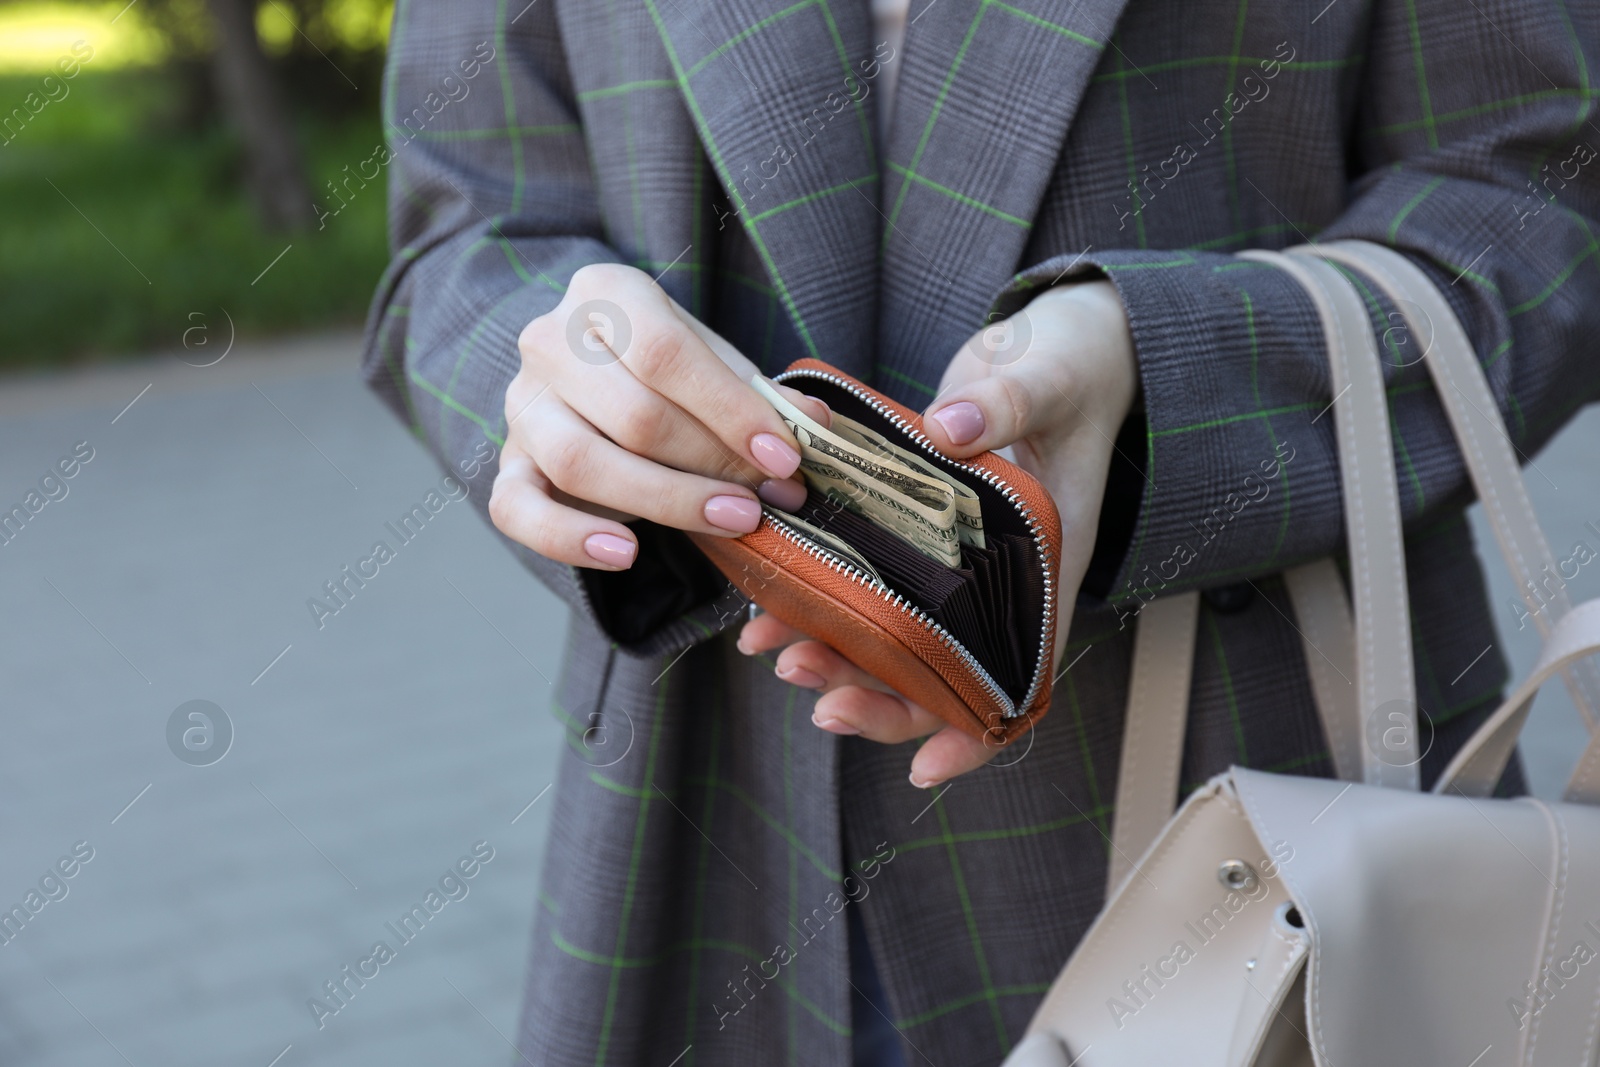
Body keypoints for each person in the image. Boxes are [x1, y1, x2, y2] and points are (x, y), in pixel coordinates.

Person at [363, 0, 1600, 1062]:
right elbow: (463, 230)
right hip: (707, 822)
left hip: (1256, 826)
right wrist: (564, 398)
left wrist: (1161, 376)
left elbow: (1540, 194)